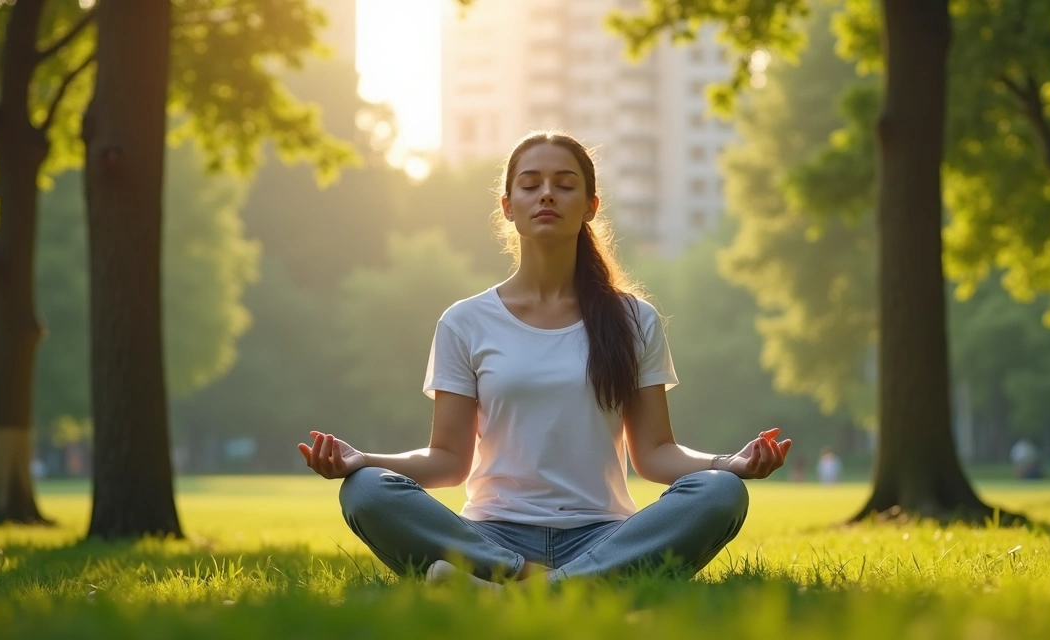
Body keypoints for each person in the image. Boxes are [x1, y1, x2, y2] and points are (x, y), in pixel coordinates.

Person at [298, 131, 792, 589]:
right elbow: (448, 461)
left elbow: (656, 453)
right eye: (531, 185)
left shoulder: (634, 319)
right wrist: (363, 462)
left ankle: (518, 591)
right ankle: (564, 585)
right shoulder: (464, 322)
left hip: (602, 537)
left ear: (591, 206)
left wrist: (730, 464)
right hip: (492, 539)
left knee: (720, 494)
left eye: (565, 184)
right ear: (508, 206)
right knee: (364, 492)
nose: (547, 195)